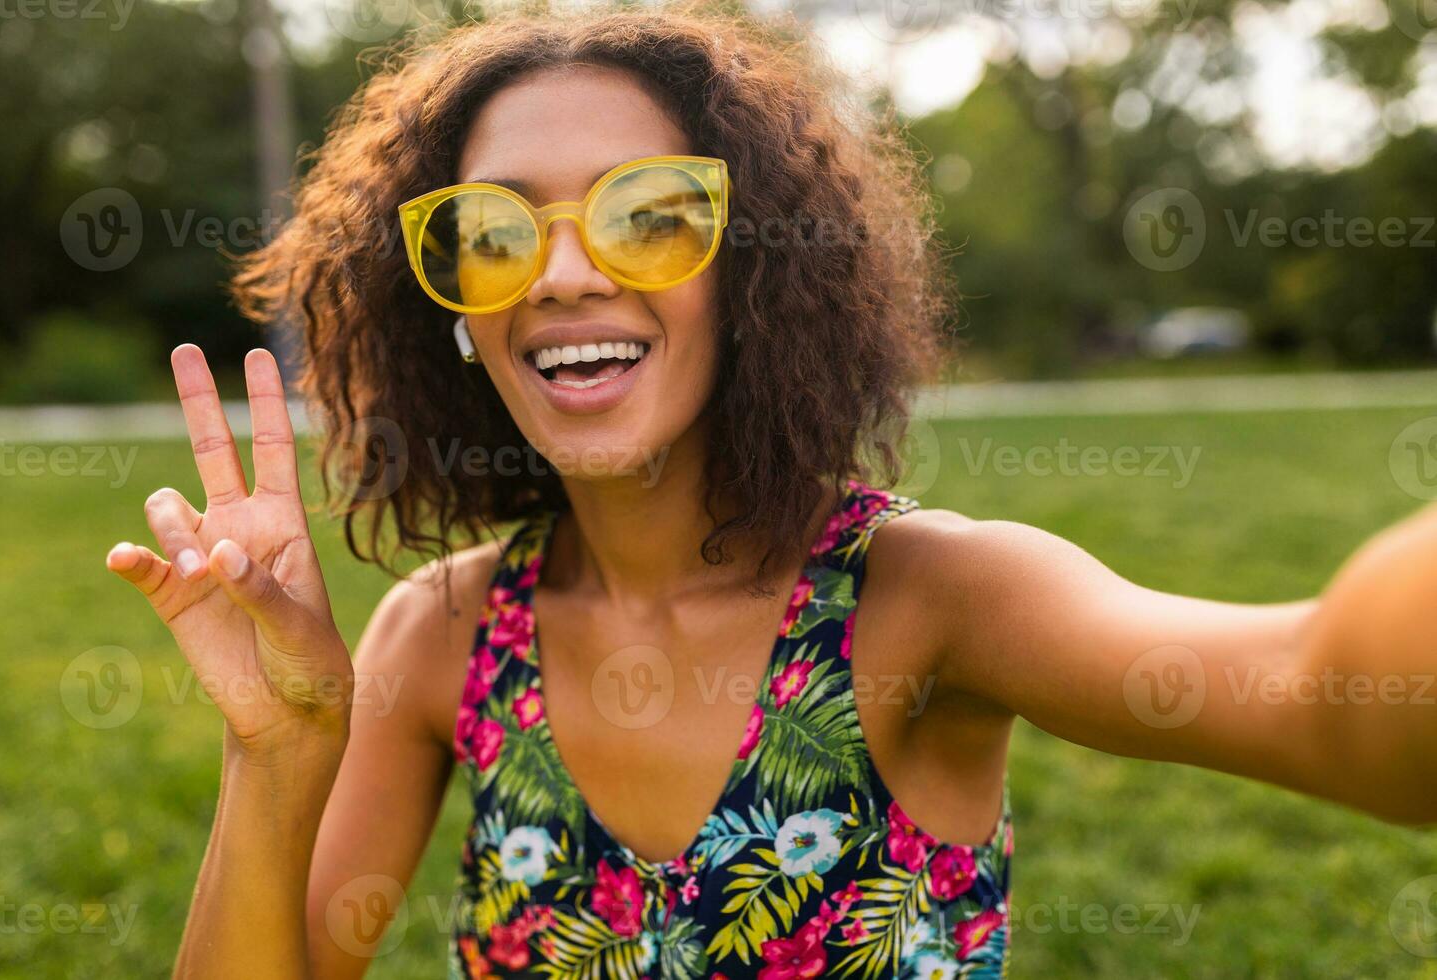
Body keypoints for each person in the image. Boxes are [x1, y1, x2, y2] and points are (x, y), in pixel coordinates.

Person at [103, 3, 1436, 978]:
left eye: (647, 215)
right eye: (495, 232)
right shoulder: (443, 639)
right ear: (448, 303)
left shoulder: (928, 600)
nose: (563, 274)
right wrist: (275, 756)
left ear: (752, 272)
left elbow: (1326, 698)